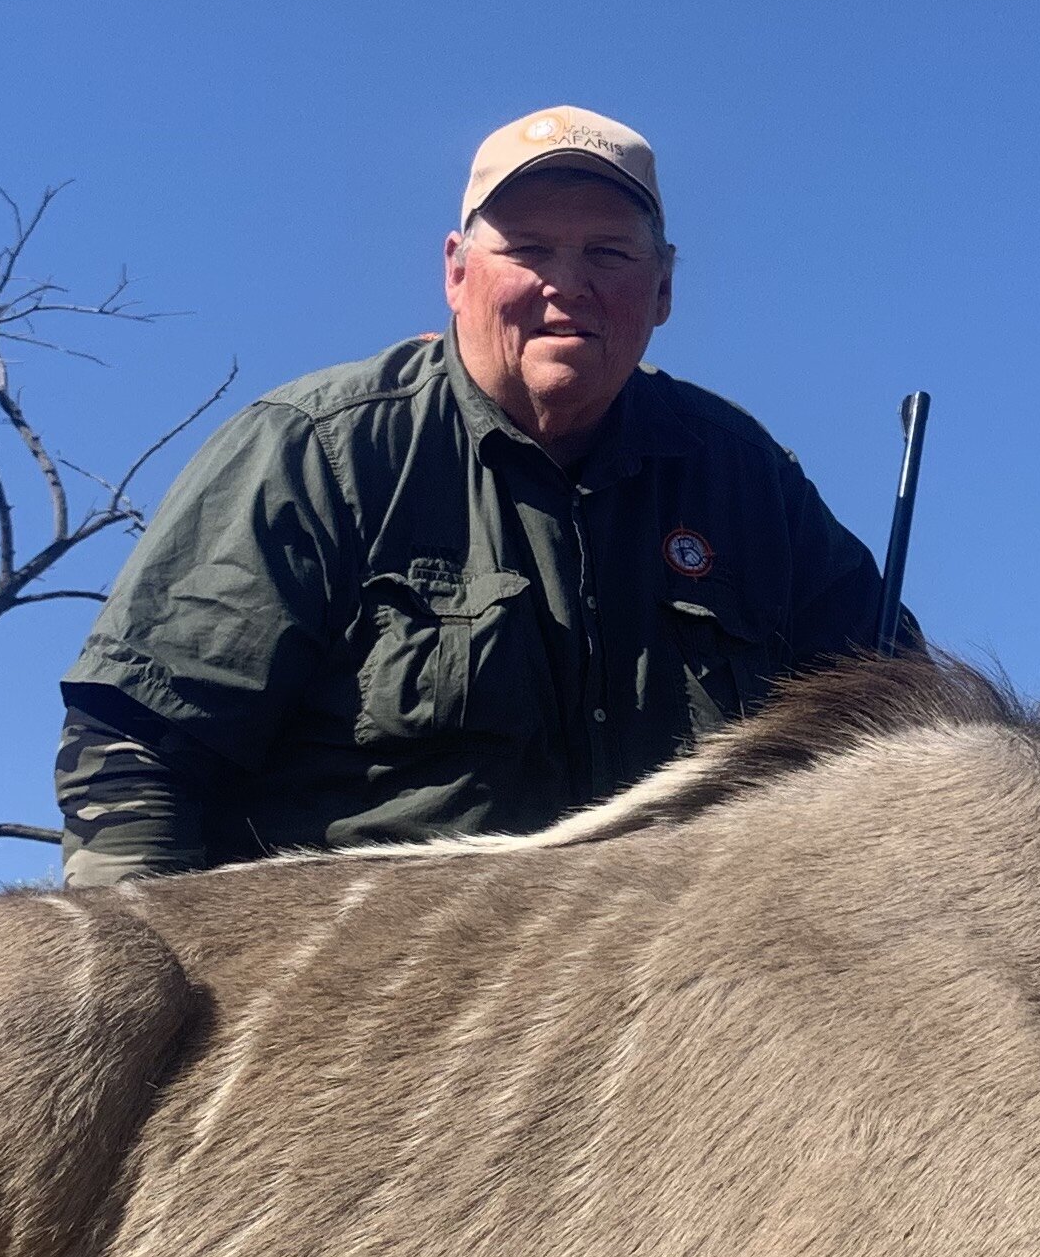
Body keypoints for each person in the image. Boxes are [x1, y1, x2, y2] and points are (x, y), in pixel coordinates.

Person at [55, 106, 911, 880]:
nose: (566, 283)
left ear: (663, 289)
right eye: (528, 248)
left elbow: (900, 742)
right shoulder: (316, 447)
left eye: (608, 252)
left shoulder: (748, 481)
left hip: (686, 991)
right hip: (375, 1002)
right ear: (457, 271)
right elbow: (136, 744)